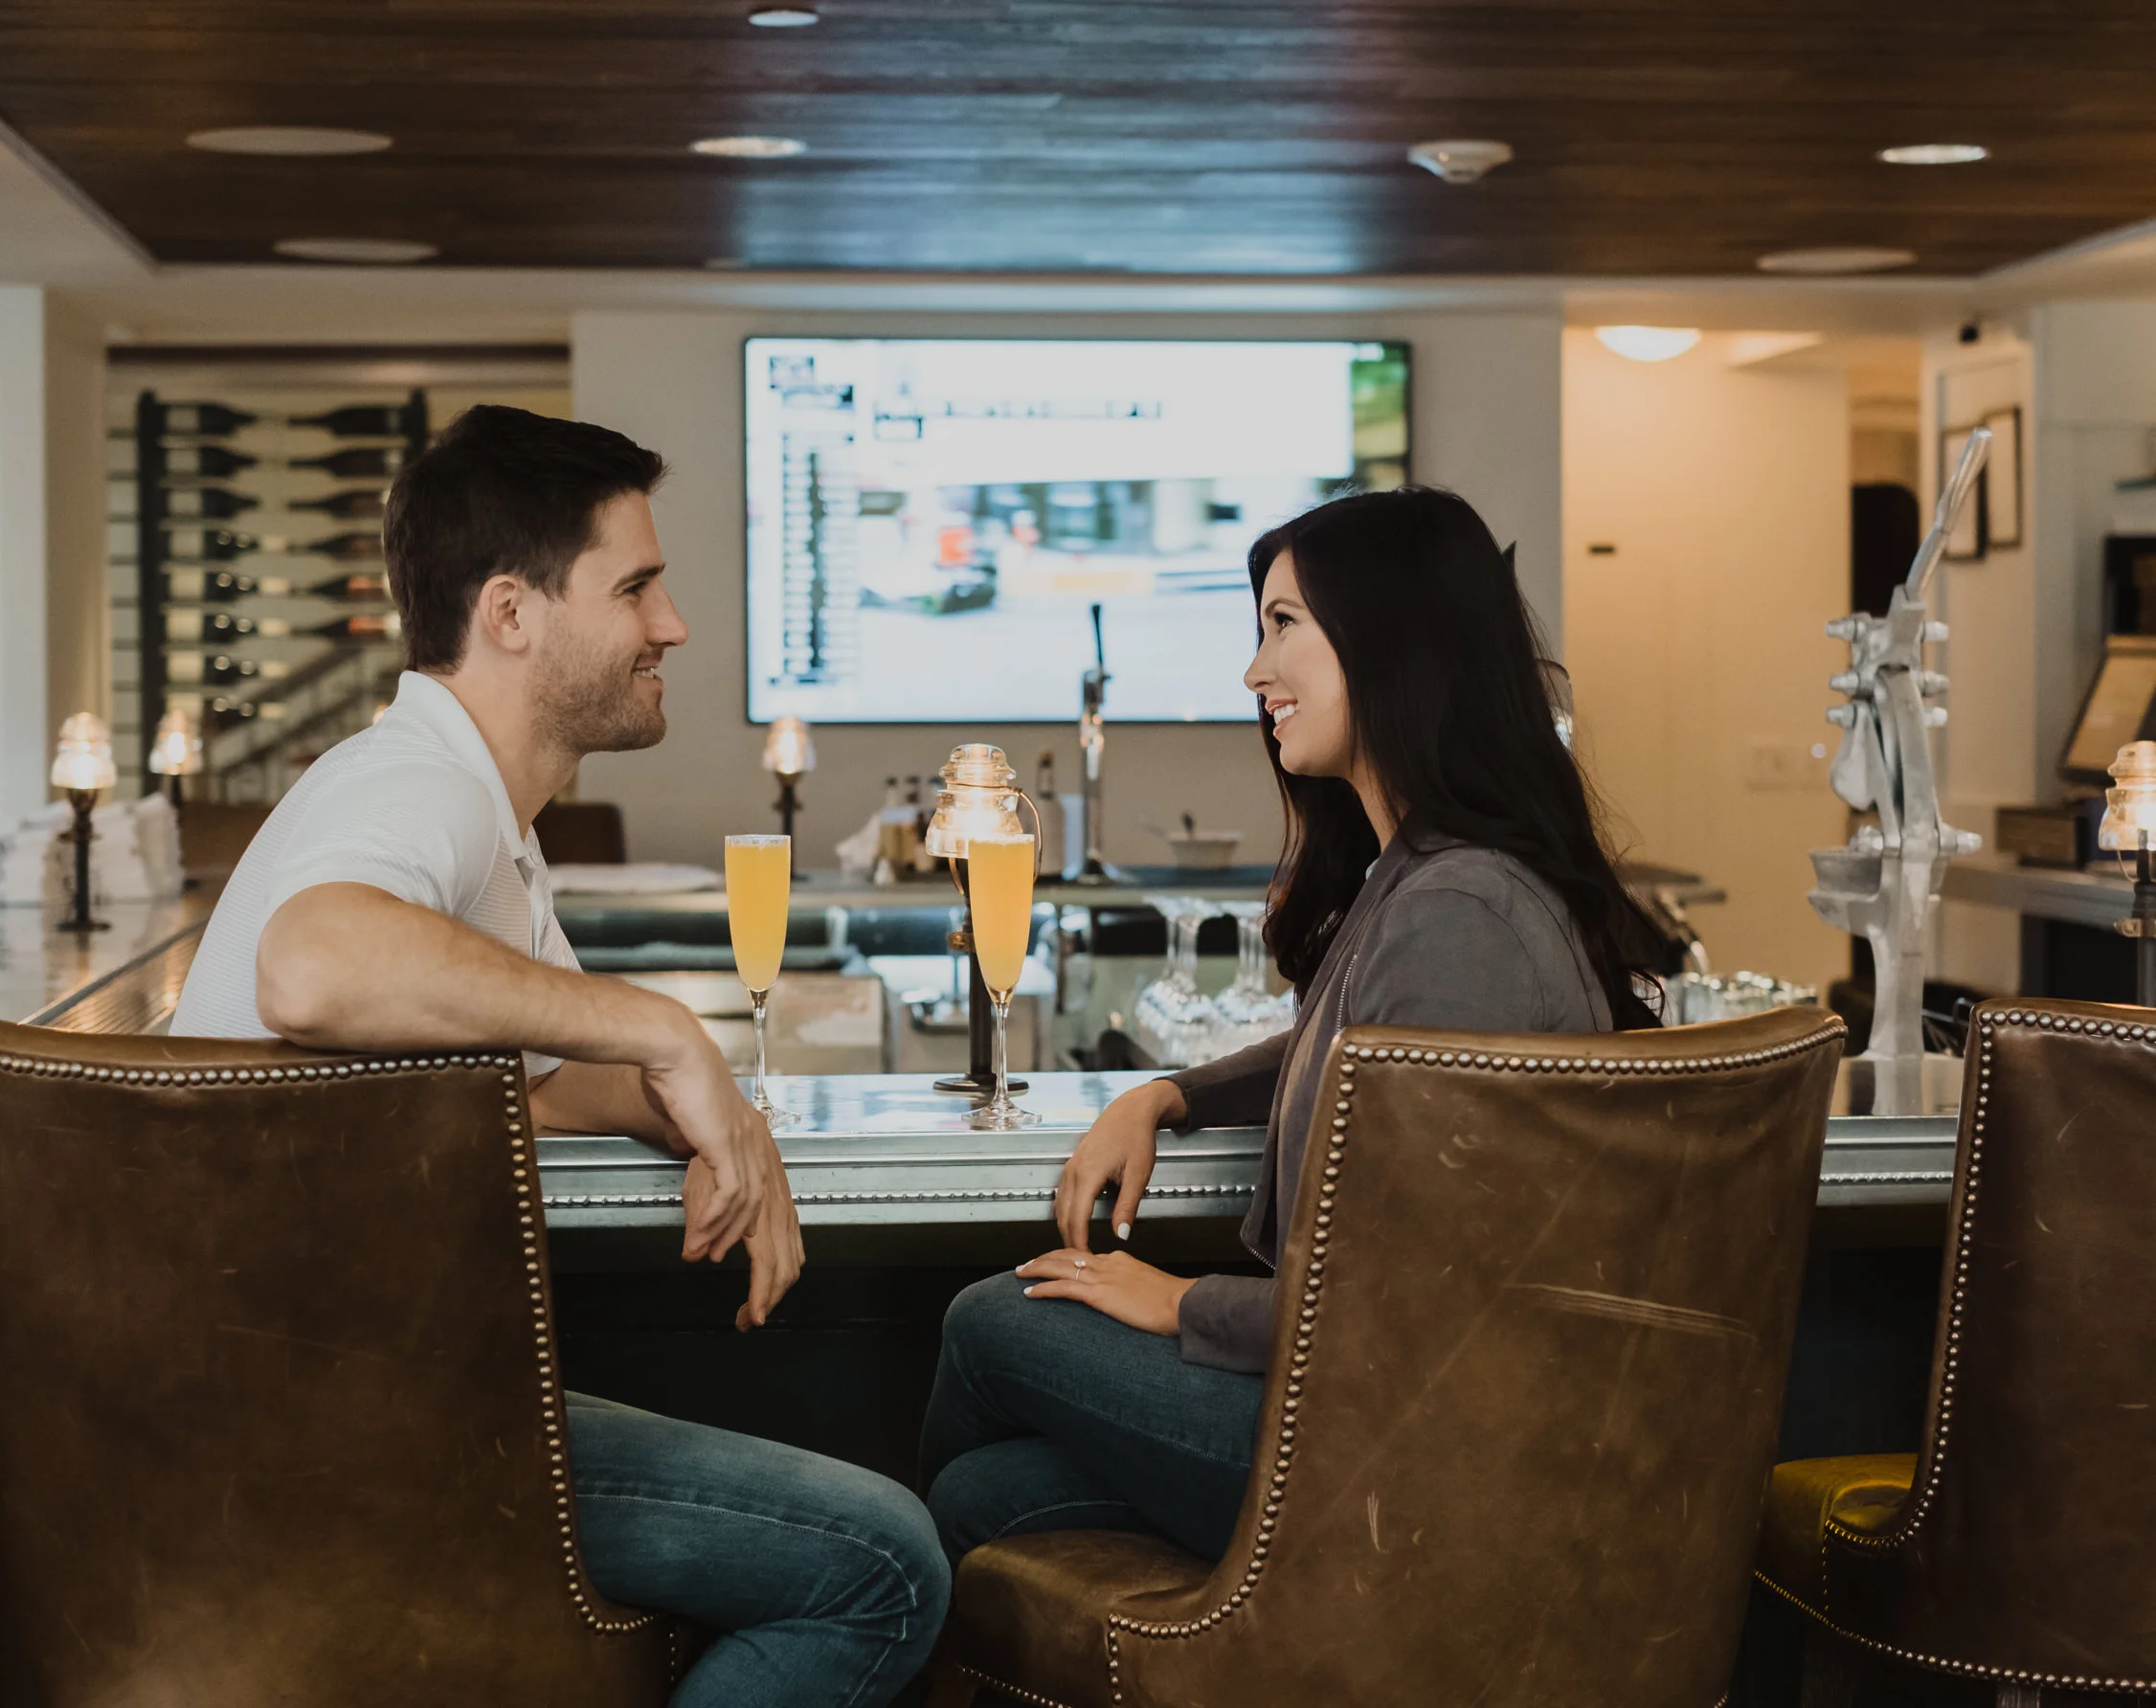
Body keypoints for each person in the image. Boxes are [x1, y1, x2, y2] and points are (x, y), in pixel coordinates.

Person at [170, 405, 947, 1708]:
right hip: (327, 1434)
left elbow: (505, 1077)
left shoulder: (476, 809)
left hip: (320, 1407)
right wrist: (662, 1029)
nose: (674, 625)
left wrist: (698, 1112)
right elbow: (311, 965)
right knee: (882, 1567)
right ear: (513, 613)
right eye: (636, 586)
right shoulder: (415, 785)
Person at [918, 485, 1668, 1566]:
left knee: (992, 1319)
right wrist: (1167, 1094)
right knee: (985, 1496)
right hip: (1386, 1410)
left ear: (1392, 642)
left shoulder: (1459, 910)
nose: (1254, 672)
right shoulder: (1430, 877)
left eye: (1284, 626)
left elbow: (1416, 1294)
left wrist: (1183, 1303)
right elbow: (1361, 1051)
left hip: (1409, 1449)